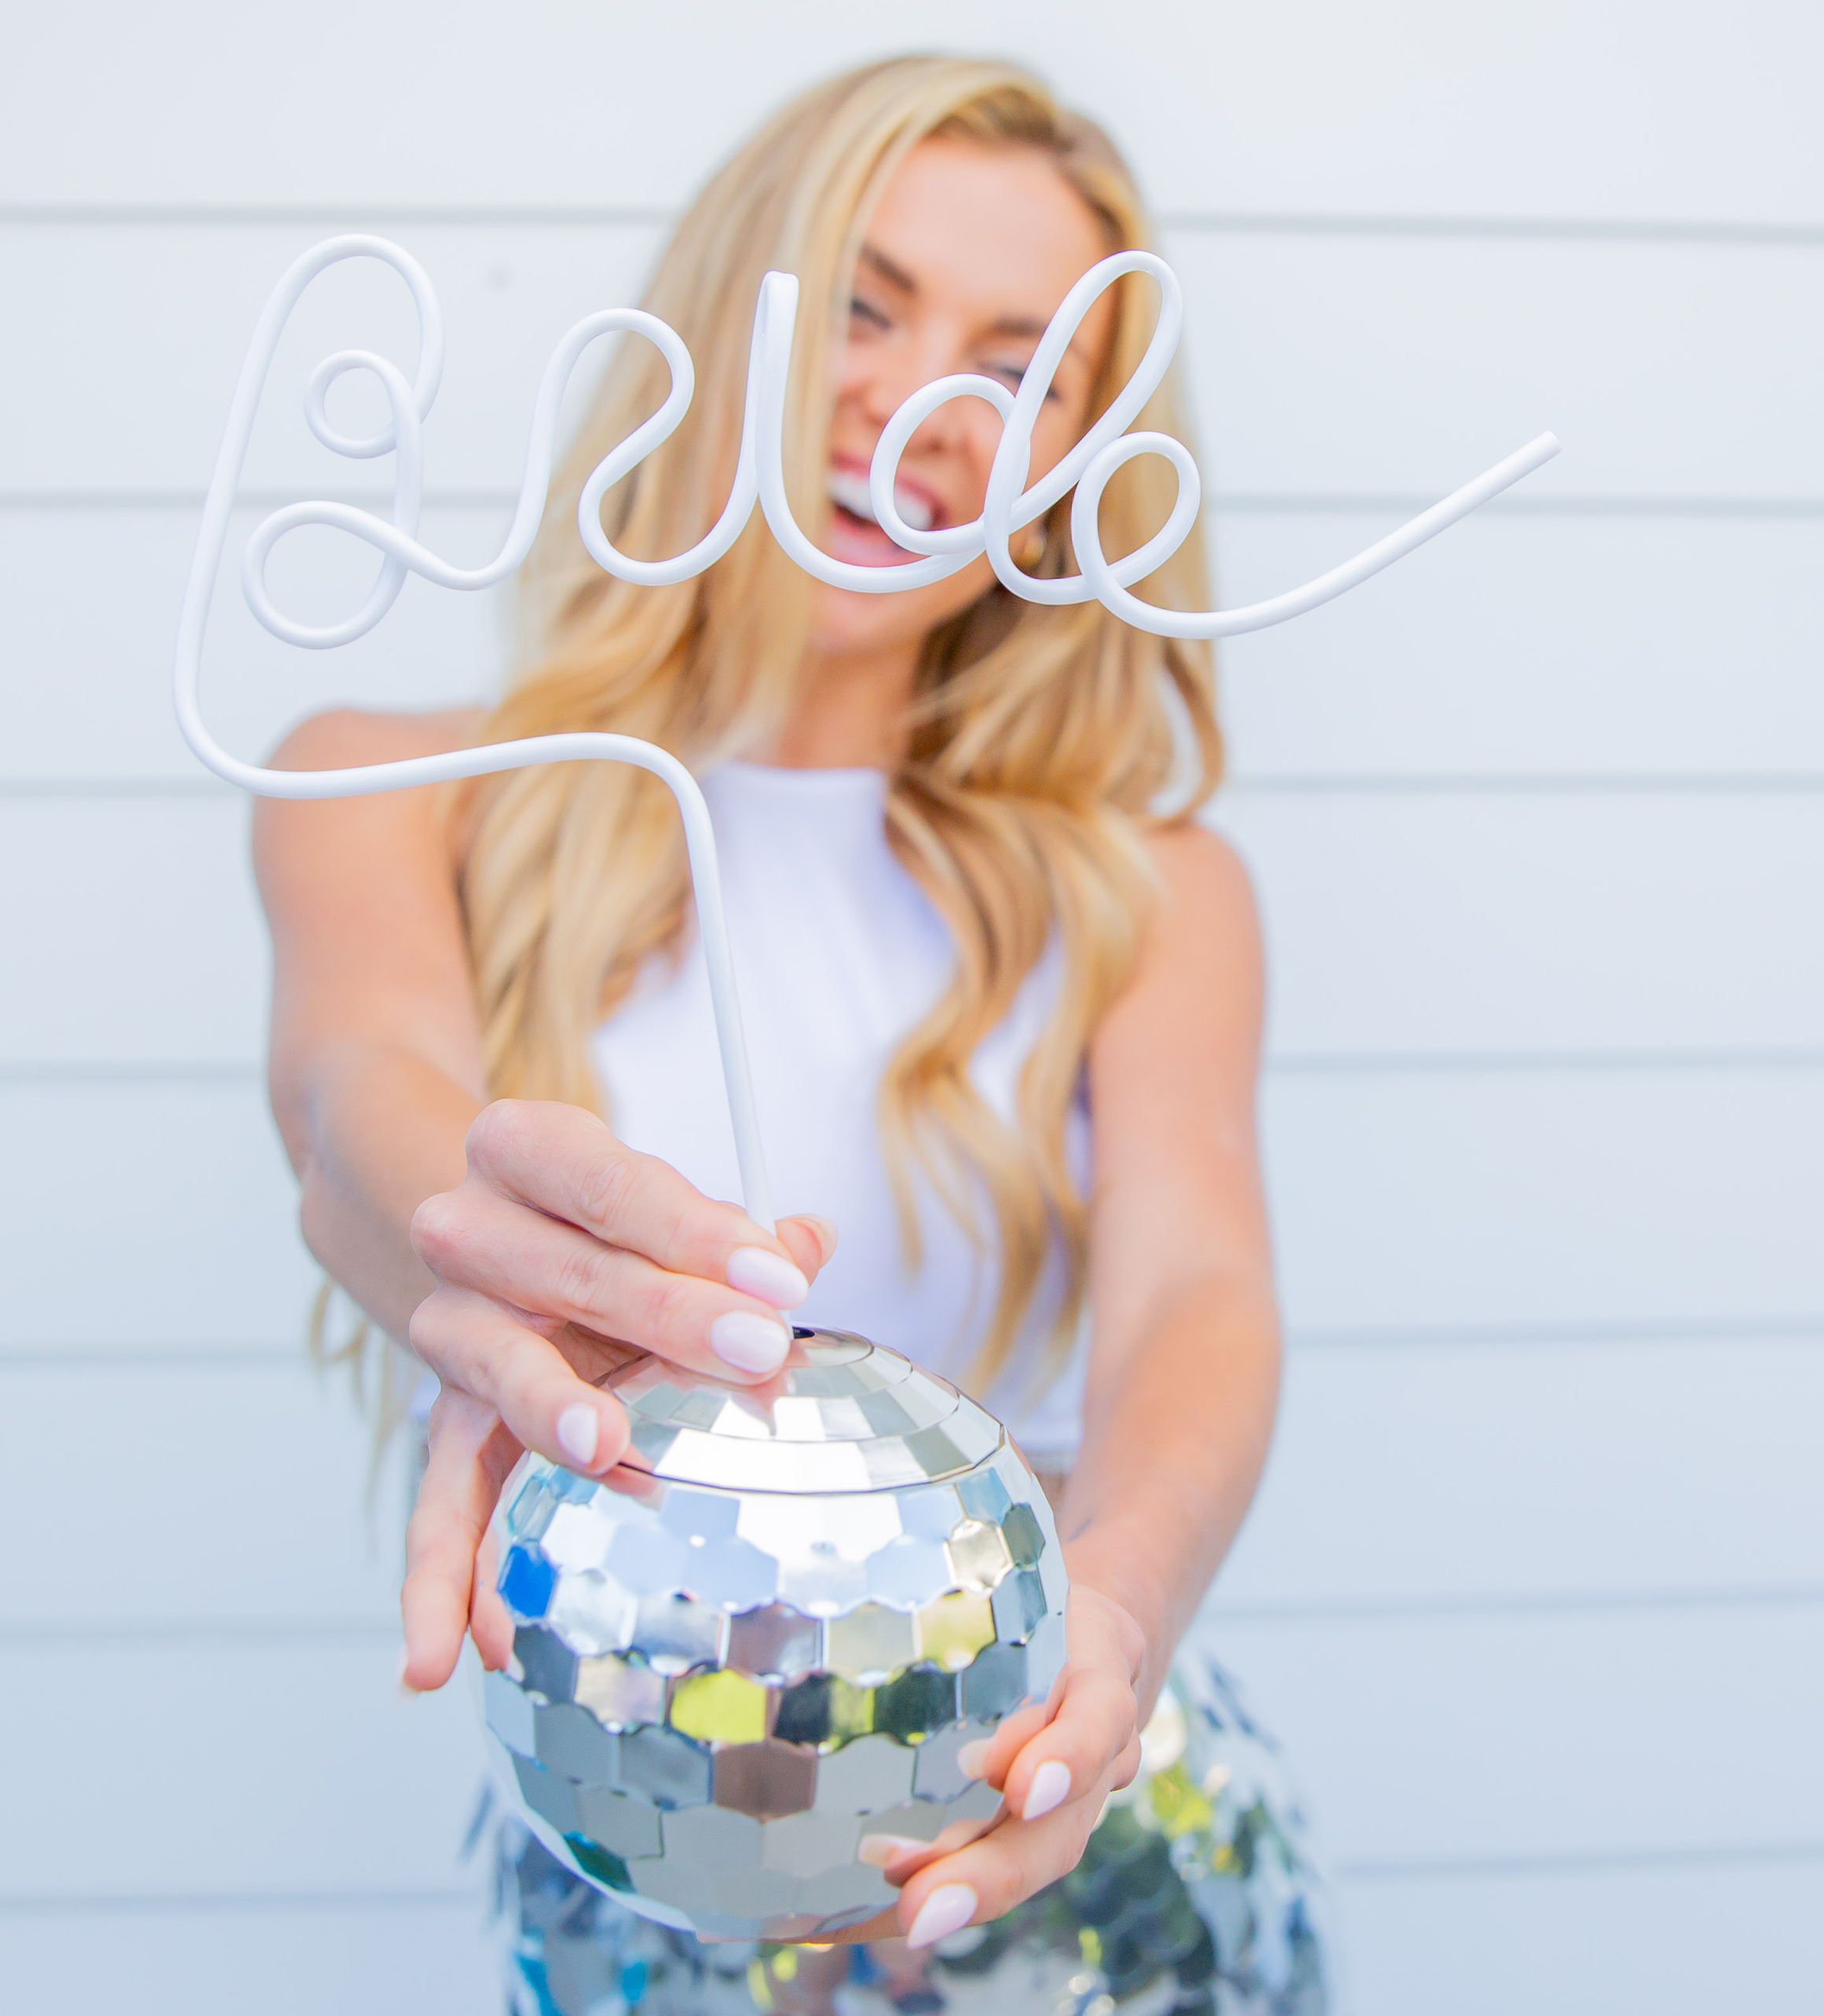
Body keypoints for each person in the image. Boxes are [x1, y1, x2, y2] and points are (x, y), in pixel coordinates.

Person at [258, 53, 1329, 2015]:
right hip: (647, 1837)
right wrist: (511, 1269)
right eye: (861, 303)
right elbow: (356, 1114)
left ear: (1081, 464)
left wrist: (1118, 1608)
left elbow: (1200, 1293)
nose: (918, 406)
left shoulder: (1151, 892)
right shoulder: (397, 792)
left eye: (1019, 369)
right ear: (723, 319)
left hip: (1075, 1830)